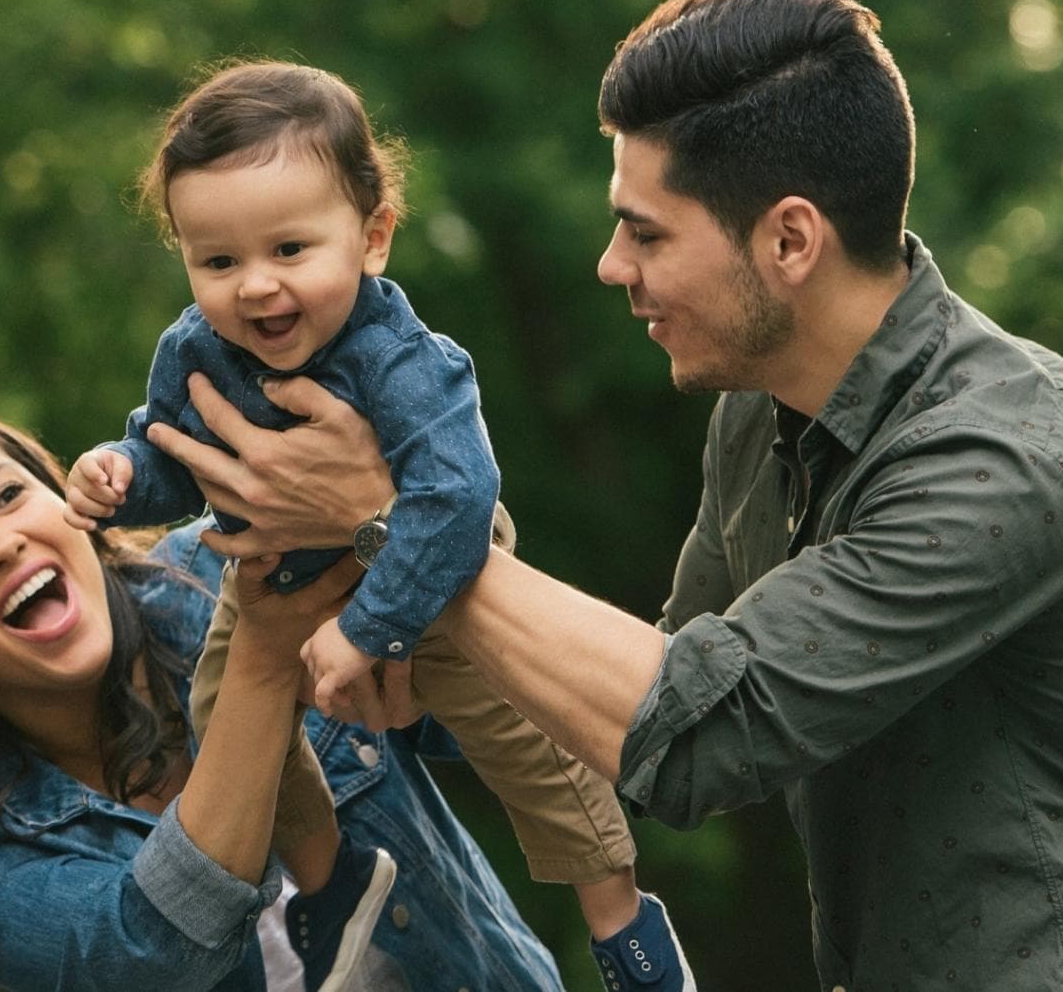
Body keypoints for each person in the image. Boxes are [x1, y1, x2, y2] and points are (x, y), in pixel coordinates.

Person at [146, 0, 1063, 988]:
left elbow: (698, 734)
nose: (609, 264)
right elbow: (637, 691)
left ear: (786, 241)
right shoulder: (757, 411)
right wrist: (410, 656)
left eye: (643, 231)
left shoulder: (999, 455)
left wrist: (390, 527)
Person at [66, 60, 688, 989]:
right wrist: (122, 477)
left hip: (436, 575)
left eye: (289, 250)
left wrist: (369, 628)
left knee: (522, 732)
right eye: (218, 261)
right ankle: (332, 878)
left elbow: (455, 501)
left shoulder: (401, 360)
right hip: (279, 583)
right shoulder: (192, 351)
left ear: (373, 237)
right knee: (220, 717)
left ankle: (622, 924)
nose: (256, 289)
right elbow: (173, 455)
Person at [0, 398, 560, 992]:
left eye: (7, 496)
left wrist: (399, 535)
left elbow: (514, 704)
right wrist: (260, 656)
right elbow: (151, 952)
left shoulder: (229, 569)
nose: (0, 544)